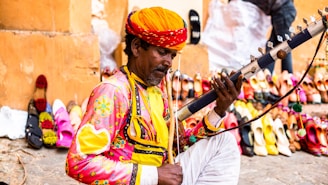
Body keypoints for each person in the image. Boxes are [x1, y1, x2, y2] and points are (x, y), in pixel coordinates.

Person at [66, 6, 243, 185]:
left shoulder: (158, 91)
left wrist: (219, 110)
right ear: (136, 48)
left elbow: (177, 147)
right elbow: (79, 162)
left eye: (172, 55)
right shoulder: (113, 92)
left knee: (224, 142)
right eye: (162, 52)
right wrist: (154, 176)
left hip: (159, 178)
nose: (168, 62)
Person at [241, 0, 297, 74]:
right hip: (282, 11)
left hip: (283, 12)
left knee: (285, 45)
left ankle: (287, 77)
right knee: (272, 45)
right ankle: (268, 74)